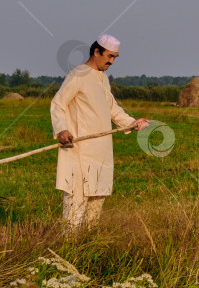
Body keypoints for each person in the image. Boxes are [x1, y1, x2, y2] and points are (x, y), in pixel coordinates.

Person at [50, 34, 149, 228]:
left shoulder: (103, 78)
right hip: (79, 151)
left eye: (115, 58)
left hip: (101, 152)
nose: (112, 61)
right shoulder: (78, 74)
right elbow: (58, 104)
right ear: (96, 52)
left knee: (95, 206)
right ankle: (69, 247)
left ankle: (87, 245)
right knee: (75, 207)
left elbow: (112, 108)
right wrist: (62, 130)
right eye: (109, 56)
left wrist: (132, 122)